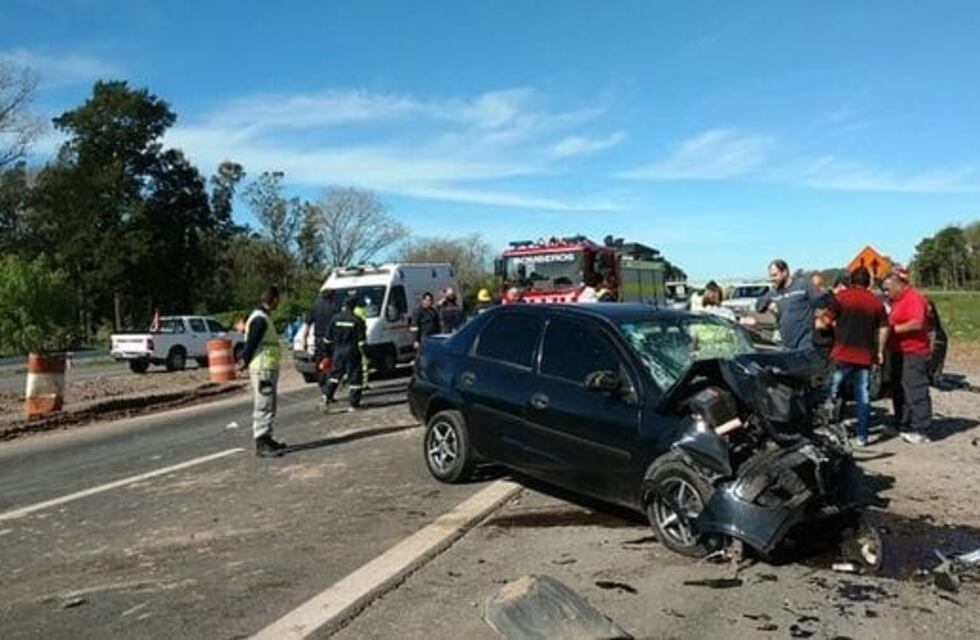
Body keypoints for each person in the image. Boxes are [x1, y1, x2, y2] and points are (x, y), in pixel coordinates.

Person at [825, 267, 889, 447]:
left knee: (832, 391)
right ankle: (862, 435)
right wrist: (880, 351)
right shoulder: (875, 302)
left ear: (851, 281)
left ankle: (830, 428)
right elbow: (884, 327)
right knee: (863, 395)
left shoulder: (841, 298)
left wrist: (835, 327)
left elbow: (825, 321)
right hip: (864, 356)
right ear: (868, 282)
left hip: (842, 353)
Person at [883, 270, 933, 444]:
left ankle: (921, 428)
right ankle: (902, 423)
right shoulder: (895, 301)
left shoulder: (913, 298)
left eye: (888, 289)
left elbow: (917, 322)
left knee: (915, 388)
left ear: (898, 284)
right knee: (899, 389)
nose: (886, 292)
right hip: (897, 351)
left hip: (913, 351)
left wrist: (894, 330)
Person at [238, 286, 287, 458]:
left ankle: (267, 437)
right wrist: (244, 359)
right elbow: (252, 342)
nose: (278, 303)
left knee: (269, 403)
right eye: (278, 300)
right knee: (264, 404)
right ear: (273, 300)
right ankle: (261, 442)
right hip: (262, 367)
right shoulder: (260, 319)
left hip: (267, 366)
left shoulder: (263, 317)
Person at [755, 259, 824, 350]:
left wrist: (820, 318)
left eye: (775, 275)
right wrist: (768, 305)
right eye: (771, 276)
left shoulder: (802, 285)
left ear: (785, 272)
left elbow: (822, 302)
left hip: (805, 342)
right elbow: (758, 307)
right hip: (786, 343)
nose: (772, 279)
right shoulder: (774, 292)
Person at [322, 297, 368, 411]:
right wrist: (367, 355)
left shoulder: (335, 319)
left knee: (335, 376)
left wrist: (327, 354)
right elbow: (362, 342)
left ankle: (327, 397)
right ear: (354, 307)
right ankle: (353, 404)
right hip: (352, 353)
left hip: (338, 352)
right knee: (355, 378)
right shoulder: (357, 320)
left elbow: (327, 339)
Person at [311, 289, 338, 401]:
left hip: (318, 339)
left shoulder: (315, 307)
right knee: (331, 364)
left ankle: (323, 387)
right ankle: (329, 391)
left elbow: (308, 323)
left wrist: (304, 339)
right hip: (331, 340)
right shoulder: (334, 308)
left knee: (320, 363)